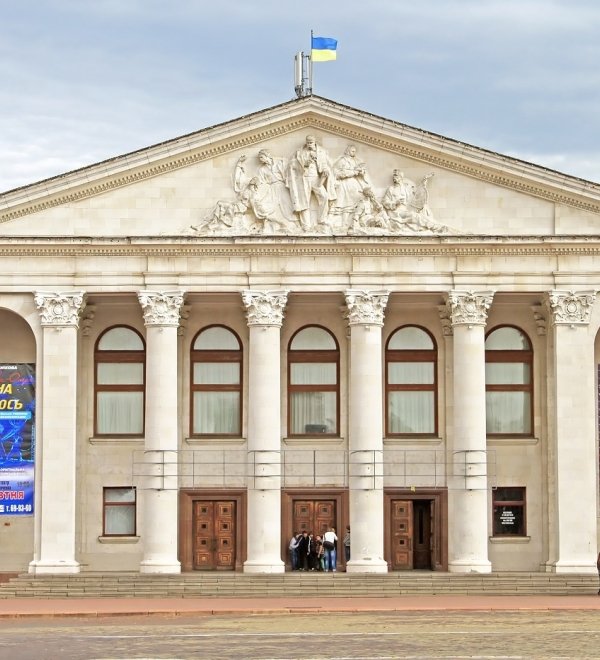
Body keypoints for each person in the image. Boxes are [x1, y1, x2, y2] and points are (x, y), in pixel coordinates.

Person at [286, 135, 336, 231]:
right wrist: (305, 163)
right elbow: (294, 165)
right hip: (304, 178)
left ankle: (321, 219)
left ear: (314, 142)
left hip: (316, 178)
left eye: (311, 142)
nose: (309, 144)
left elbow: (325, 164)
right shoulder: (300, 152)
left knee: (324, 196)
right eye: (308, 142)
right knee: (304, 201)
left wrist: (325, 169)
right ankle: (306, 225)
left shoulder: (321, 152)